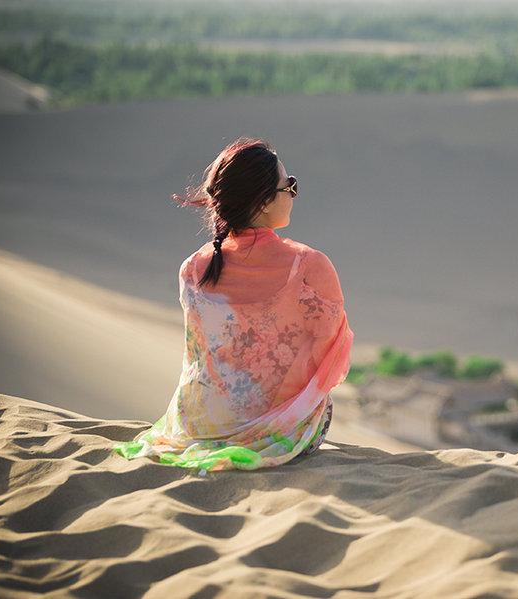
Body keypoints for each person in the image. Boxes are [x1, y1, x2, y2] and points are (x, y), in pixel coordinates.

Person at [113, 137, 353, 473]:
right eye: (290, 186)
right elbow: (331, 354)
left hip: (198, 427)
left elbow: (198, 357)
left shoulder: (192, 268)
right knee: (321, 405)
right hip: (275, 433)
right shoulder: (309, 266)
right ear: (265, 200)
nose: (294, 195)